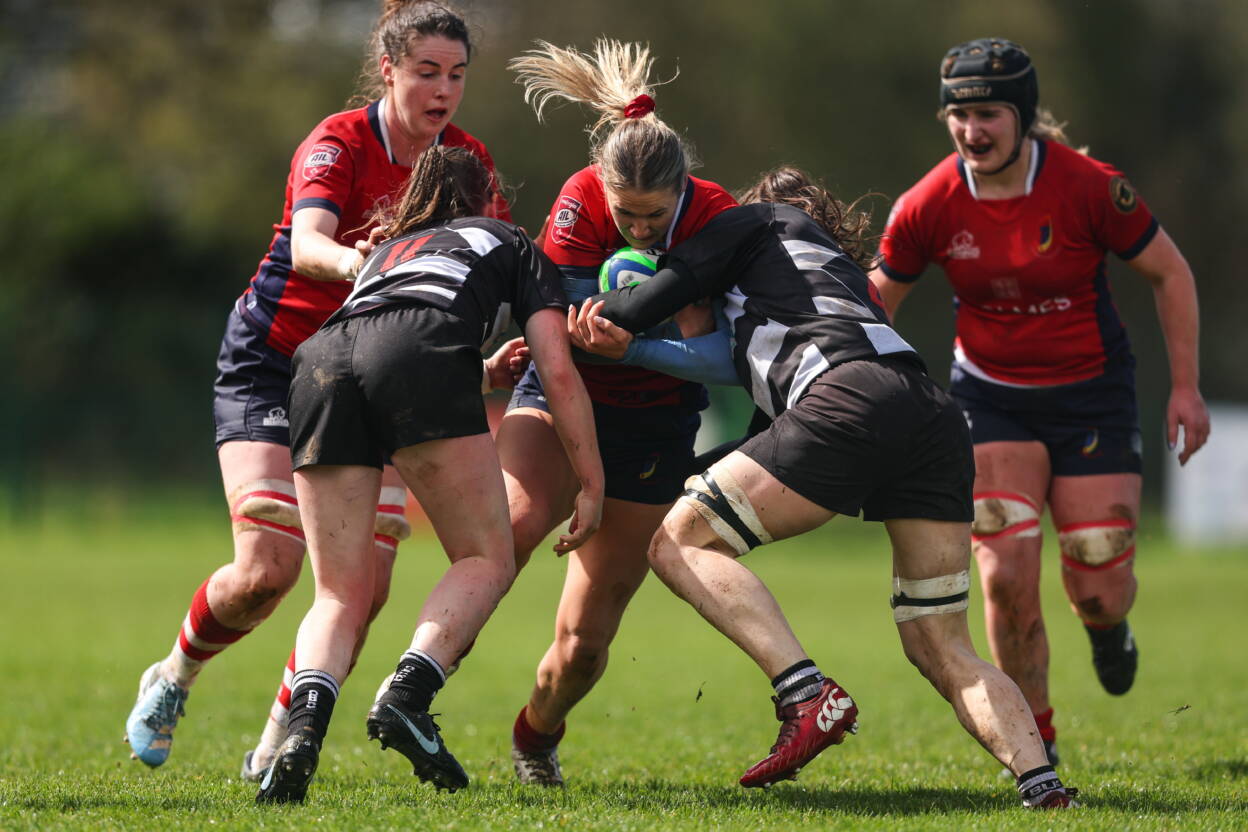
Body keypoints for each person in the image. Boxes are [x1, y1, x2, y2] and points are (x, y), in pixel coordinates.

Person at [571, 165, 1078, 809]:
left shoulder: (752, 223)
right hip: (930, 414)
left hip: (847, 399)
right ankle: (1044, 787)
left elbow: (650, 299)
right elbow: (765, 437)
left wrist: (567, 329)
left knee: (678, 540)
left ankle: (806, 694)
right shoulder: (825, 276)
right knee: (940, 641)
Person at [124, 1, 513, 776]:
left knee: (361, 589)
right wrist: (358, 263)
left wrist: (482, 362)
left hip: (378, 376)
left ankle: (276, 743)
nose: (443, 90)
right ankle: (174, 675)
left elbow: (475, 275)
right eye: (427, 72)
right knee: (267, 570)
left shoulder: (467, 159)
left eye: (457, 75)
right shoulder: (338, 142)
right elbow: (307, 246)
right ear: (389, 70)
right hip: (276, 361)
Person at [869, 38, 1210, 765]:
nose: (971, 131)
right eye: (957, 116)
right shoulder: (927, 203)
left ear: (1022, 116)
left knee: (1098, 579)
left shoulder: (1089, 187)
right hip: (990, 401)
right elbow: (874, 306)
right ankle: (1037, 747)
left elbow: (1171, 272)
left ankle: (1108, 628)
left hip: (1092, 399)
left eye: (988, 113)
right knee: (1004, 579)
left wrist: (1185, 387)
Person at [255, 145, 603, 804]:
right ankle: (408, 697)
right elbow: (556, 372)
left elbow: (376, 347)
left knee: (337, 594)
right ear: (488, 197)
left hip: (320, 359)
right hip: (418, 353)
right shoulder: (510, 238)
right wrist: (590, 480)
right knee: (485, 555)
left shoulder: (391, 248)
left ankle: (302, 730)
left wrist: (471, 373)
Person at [499, 39, 737, 786]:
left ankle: (535, 737)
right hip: (560, 394)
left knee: (585, 645)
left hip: (653, 424)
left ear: (684, 194)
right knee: (502, 538)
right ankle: (416, 683)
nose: (638, 230)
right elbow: (558, 331)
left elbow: (723, 355)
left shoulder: (718, 215)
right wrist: (658, 318)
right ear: (600, 190)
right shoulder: (576, 199)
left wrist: (633, 340)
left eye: (654, 217)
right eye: (624, 215)